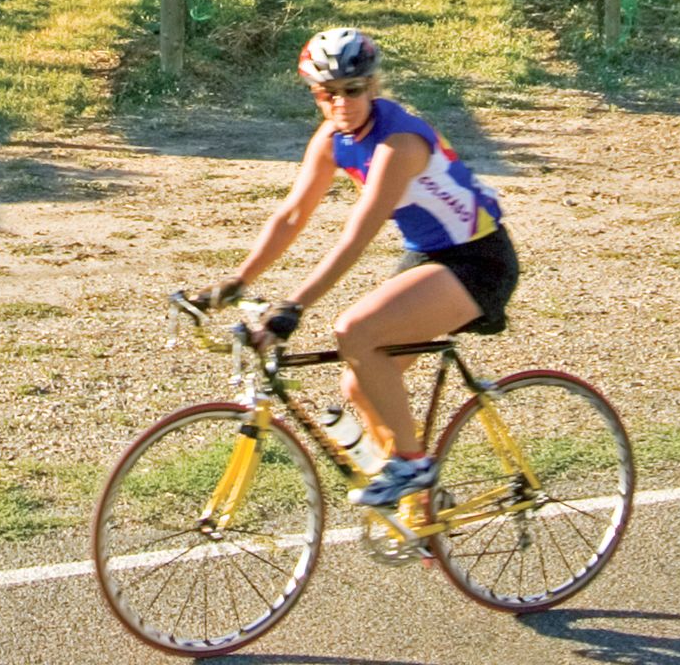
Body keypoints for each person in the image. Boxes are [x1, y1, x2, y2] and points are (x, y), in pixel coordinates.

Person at [187, 27, 519, 514]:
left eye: (353, 91)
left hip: (479, 258)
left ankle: (412, 466)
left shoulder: (398, 143)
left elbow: (354, 238)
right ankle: (421, 509)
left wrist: (293, 308)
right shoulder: (333, 138)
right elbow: (292, 215)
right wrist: (234, 283)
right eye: (327, 93)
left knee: (355, 331)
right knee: (359, 382)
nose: (341, 104)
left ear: (374, 86)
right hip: (428, 253)